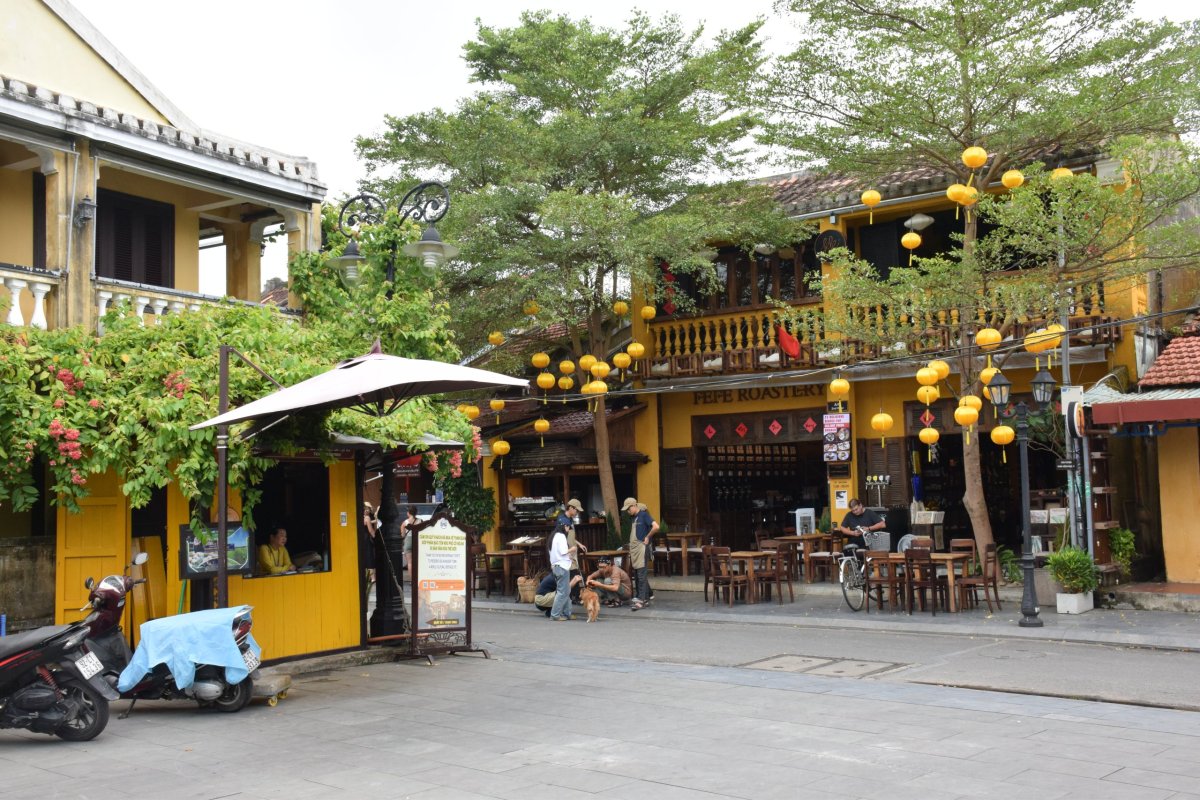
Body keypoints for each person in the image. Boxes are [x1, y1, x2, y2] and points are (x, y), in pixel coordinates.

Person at [622, 497, 658, 611]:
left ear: (633, 506)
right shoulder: (634, 517)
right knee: (638, 574)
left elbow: (656, 526)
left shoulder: (643, 515)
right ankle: (643, 598)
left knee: (641, 575)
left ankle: (641, 601)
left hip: (642, 549)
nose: (628, 512)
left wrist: (647, 537)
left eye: (628, 509)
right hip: (635, 549)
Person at [559, 499, 587, 601]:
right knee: (569, 574)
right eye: (576, 510)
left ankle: (574, 596)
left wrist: (579, 544)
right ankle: (569, 597)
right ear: (570, 508)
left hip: (572, 550)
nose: (577, 512)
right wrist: (567, 552)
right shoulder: (563, 520)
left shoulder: (570, 519)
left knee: (574, 572)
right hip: (567, 552)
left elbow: (571, 537)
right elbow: (561, 538)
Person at [548, 522, 575, 621]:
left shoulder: (553, 536)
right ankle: (555, 615)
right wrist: (572, 549)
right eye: (568, 527)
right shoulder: (562, 536)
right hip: (562, 567)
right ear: (565, 526)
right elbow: (563, 551)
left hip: (556, 566)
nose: (568, 530)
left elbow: (555, 553)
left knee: (566, 590)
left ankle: (567, 613)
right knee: (562, 592)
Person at [400, 505, 418, 581]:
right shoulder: (420, 521)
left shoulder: (405, 523)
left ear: (408, 513)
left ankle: (412, 580)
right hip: (417, 541)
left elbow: (403, 535)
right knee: (417, 562)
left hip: (408, 542)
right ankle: (418, 579)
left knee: (410, 563)